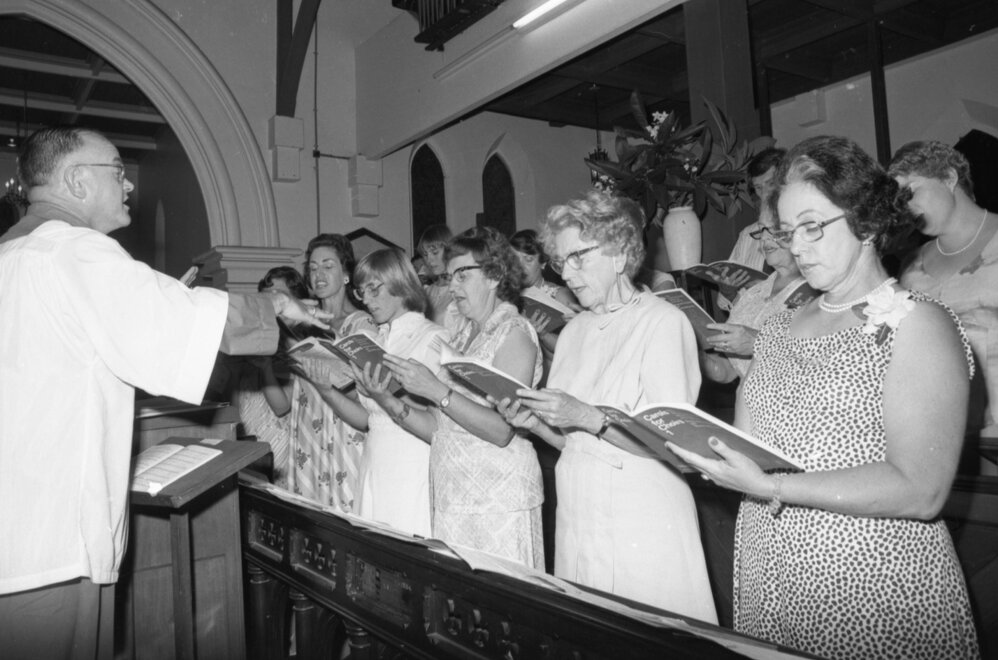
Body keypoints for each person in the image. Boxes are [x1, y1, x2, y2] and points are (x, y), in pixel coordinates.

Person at [0, 127, 331, 660]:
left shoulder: (13, 253)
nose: (128, 184)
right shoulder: (72, 250)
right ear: (76, 181)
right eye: (116, 170)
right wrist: (278, 308)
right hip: (53, 542)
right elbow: (185, 318)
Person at [669, 135, 979, 659]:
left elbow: (919, 489)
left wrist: (771, 487)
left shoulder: (918, 323)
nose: (797, 247)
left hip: (869, 579)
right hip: (774, 567)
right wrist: (707, 450)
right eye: (789, 232)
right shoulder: (780, 323)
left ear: (865, 220)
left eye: (813, 226)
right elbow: (754, 442)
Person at [499, 189, 717, 622]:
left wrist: (588, 417)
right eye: (561, 263)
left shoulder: (662, 322)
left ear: (619, 253)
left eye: (579, 257)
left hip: (642, 511)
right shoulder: (576, 330)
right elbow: (574, 442)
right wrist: (536, 425)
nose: (568, 274)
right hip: (580, 511)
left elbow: (673, 446)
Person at [373, 227, 545, 567]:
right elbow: (439, 430)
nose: (452, 287)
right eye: (450, 277)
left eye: (462, 276)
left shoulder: (514, 333)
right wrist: (387, 399)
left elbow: (501, 430)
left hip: (498, 501)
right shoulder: (465, 336)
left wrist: (436, 390)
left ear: (494, 275)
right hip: (454, 494)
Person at [315, 248, 447, 535]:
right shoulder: (378, 341)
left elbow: (439, 420)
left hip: (411, 463)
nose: (367, 300)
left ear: (400, 284)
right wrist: (327, 390)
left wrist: (387, 395)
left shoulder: (433, 338)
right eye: (362, 292)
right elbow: (368, 420)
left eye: (375, 289)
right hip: (376, 459)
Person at [889, 140, 998, 456]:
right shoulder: (911, 266)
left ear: (949, 177)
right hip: (943, 440)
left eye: (911, 192)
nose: (906, 207)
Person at [285, 234, 377, 510]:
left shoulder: (363, 324)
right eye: (313, 268)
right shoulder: (303, 323)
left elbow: (369, 395)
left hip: (344, 431)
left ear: (346, 273)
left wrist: (331, 377)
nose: (318, 274)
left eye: (328, 266)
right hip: (310, 427)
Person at [230, 266, 312, 487]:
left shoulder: (298, 345)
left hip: (280, 448)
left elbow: (282, 407)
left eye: (279, 296)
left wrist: (264, 367)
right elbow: (238, 401)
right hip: (250, 440)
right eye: (267, 297)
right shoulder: (254, 336)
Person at [702, 221, 812, 383]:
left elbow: (818, 355)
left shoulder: (818, 287)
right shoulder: (753, 293)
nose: (765, 238)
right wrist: (690, 349)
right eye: (761, 231)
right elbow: (726, 371)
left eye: (774, 230)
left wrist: (757, 342)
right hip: (748, 404)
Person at [718, 147, 785, 310]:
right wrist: (729, 293)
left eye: (770, 184)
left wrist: (769, 288)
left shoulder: (801, 231)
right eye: (758, 188)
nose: (765, 194)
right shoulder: (748, 235)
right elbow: (723, 303)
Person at [416, 224, 456, 327]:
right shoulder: (426, 292)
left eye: (434, 252)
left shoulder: (459, 289)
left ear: (448, 250)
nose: (429, 260)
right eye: (425, 254)